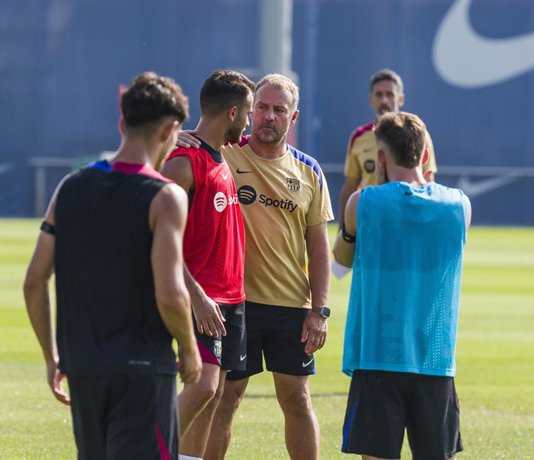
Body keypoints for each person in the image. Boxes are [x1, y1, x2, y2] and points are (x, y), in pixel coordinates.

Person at [23, 72, 202, 459]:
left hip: (83, 367)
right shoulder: (165, 197)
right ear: (171, 129)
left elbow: (34, 281)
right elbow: (171, 292)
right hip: (142, 369)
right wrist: (189, 349)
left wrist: (51, 356)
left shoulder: (69, 188)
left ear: (122, 122)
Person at [179, 73, 334, 459]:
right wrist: (174, 136)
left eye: (278, 110)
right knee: (221, 397)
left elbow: (318, 247)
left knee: (297, 399)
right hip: (233, 303)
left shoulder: (309, 171)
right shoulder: (225, 152)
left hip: (290, 305)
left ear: (293, 118)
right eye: (260, 107)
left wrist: (320, 311)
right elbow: (194, 145)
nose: (266, 116)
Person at [334, 112, 471, 459]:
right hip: (435, 357)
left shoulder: (362, 203)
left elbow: (342, 260)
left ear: (380, 158)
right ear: (425, 155)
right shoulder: (459, 205)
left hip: (379, 353)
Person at [159, 69, 254, 460]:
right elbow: (158, 239)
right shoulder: (183, 162)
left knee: (212, 402)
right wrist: (197, 297)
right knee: (203, 387)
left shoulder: (220, 155)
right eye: (248, 112)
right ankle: (144, 447)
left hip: (233, 299)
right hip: (203, 299)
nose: (250, 122)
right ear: (233, 112)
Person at [337, 68, 438, 228]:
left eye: (390, 94)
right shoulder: (359, 137)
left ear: (401, 99)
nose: (384, 100)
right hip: (370, 221)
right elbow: (350, 185)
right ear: (370, 99)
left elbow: (428, 180)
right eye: (379, 94)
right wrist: (343, 231)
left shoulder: (419, 134)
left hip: (407, 221)